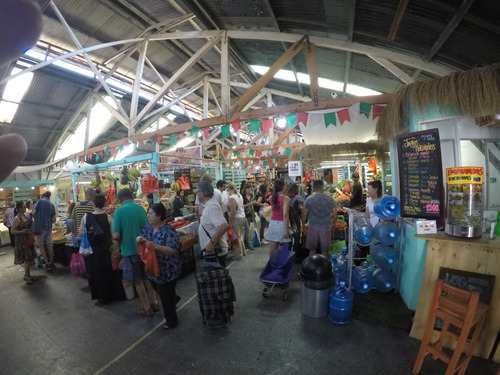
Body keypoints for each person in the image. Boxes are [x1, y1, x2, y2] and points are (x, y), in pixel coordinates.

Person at [113, 188, 159, 316]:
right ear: (131, 197)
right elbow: (148, 227)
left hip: (129, 250)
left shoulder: (118, 212)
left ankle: (146, 307)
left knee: (138, 281)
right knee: (147, 278)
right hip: (143, 250)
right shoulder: (140, 209)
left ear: (120, 200)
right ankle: (155, 302)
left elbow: (116, 235)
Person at [137, 203, 181, 330]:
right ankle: (173, 298)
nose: (148, 216)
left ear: (159, 215)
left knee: (165, 298)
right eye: (148, 213)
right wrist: (139, 239)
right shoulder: (148, 228)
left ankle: (171, 321)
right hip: (153, 270)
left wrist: (154, 246)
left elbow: (173, 249)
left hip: (168, 270)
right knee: (164, 293)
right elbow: (140, 238)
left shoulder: (168, 230)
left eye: (150, 213)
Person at [80, 195, 125, 304]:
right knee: (108, 271)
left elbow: (81, 232)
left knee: (96, 273)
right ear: (104, 205)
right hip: (106, 249)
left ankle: (102, 297)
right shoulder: (108, 217)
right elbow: (113, 235)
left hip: (93, 250)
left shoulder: (86, 217)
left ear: (94, 205)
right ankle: (113, 295)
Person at [196, 181, 229, 267]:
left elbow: (223, 226)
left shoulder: (211, 207)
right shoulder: (209, 205)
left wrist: (211, 243)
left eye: (197, 192)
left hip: (216, 251)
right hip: (212, 251)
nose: (197, 195)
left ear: (202, 194)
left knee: (218, 278)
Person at [301, 179, 337, 256]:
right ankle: (324, 267)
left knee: (312, 250)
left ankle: (311, 267)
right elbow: (335, 212)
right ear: (322, 187)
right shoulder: (329, 199)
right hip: (325, 228)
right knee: (324, 251)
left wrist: (303, 224)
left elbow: (304, 214)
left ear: (313, 188)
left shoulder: (309, 199)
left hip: (312, 227)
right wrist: (334, 223)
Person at [11, 201, 38, 284]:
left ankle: (28, 275)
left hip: (28, 240)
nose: (25, 208)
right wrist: (22, 232)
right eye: (23, 207)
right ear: (19, 208)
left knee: (29, 258)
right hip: (21, 241)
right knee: (27, 257)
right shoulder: (17, 218)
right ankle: (26, 276)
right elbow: (12, 231)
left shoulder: (26, 215)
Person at [32, 191, 56, 271]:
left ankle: (47, 264)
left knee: (41, 245)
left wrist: (38, 219)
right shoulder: (52, 205)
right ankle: (52, 262)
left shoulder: (40, 201)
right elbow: (54, 219)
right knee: (49, 245)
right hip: (49, 227)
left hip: (40, 227)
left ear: (43, 196)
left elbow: (34, 213)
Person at [266, 179, 290, 253]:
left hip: (272, 223)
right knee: (284, 249)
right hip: (282, 224)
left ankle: (272, 264)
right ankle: (282, 264)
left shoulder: (271, 198)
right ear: (283, 187)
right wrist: (286, 230)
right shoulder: (286, 199)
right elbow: (285, 215)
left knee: (273, 251)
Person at [227, 182, 246, 260]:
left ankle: (238, 255)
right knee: (240, 235)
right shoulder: (239, 195)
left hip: (236, 219)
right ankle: (243, 251)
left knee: (235, 238)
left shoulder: (232, 198)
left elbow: (233, 211)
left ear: (228, 189)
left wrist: (229, 222)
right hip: (242, 217)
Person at [242, 183, 256, 251]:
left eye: (250, 189)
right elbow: (241, 206)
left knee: (248, 229)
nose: (249, 190)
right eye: (247, 189)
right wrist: (249, 204)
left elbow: (253, 203)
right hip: (244, 214)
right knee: (247, 228)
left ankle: (246, 242)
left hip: (250, 213)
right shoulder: (242, 196)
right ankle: (246, 243)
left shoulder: (251, 195)